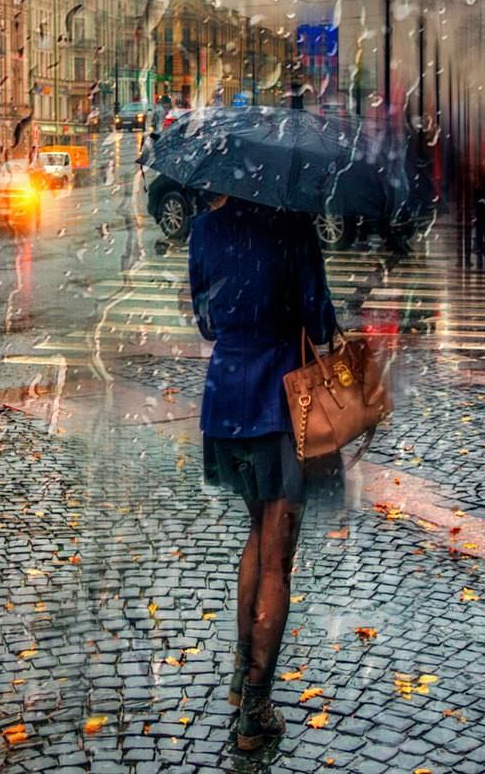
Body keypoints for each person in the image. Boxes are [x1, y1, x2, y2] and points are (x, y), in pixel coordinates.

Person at [188, 195, 338, 753]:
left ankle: (240, 671)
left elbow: (205, 321)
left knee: (257, 533)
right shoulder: (293, 223)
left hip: (226, 397)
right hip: (281, 400)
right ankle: (255, 707)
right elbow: (319, 319)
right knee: (277, 551)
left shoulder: (203, 228)